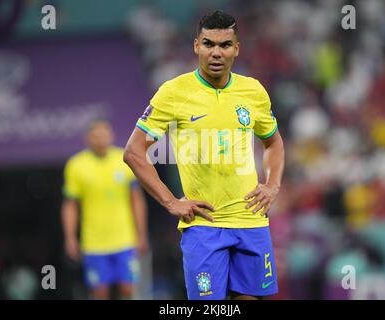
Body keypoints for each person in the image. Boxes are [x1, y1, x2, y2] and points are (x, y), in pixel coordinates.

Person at [123, 10, 285, 300]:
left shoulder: (253, 91)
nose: (216, 52)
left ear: (236, 49)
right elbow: (134, 152)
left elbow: (273, 143)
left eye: (224, 45)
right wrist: (170, 201)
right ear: (196, 45)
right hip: (204, 227)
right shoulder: (173, 93)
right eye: (209, 44)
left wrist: (273, 185)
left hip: (250, 221)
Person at [61, 119, 149, 299]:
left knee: (128, 290)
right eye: (96, 134)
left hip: (125, 239)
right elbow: (70, 206)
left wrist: (142, 234)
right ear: (88, 138)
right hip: (94, 243)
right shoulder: (76, 165)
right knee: (100, 292)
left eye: (105, 133)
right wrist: (70, 237)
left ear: (111, 135)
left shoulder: (124, 158)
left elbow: (137, 200)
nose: (101, 138)